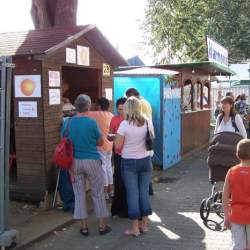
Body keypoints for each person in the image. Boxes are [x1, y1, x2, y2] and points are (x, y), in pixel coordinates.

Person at [65, 94, 111, 236]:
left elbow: (65, 140)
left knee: (79, 194)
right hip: (91, 160)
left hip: (74, 162)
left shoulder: (68, 122)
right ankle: (102, 226)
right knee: (97, 193)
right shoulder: (91, 123)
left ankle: (83, 227)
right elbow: (100, 142)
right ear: (89, 106)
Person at [115, 97, 154, 236]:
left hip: (129, 162)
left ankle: (135, 228)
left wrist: (117, 139)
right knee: (144, 193)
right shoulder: (147, 122)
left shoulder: (124, 125)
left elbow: (118, 146)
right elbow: (151, 139)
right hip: (145, 160)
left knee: (132, 194)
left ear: (128, 109)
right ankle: (145, 225)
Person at [125, 88, 154, 195]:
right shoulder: (146, 102)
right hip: (148, 136)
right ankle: (148, 188)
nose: (127, 100)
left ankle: (146, 189)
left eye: (128, 97)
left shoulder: (138, 104)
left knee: (143, 167)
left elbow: (137, 121)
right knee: (147, 164)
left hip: (140, 138)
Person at [222, 139, 250, 250]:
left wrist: (226, 215)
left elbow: (224, 196)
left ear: (237, 155)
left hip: (236, 215)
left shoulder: (232, 171)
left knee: (238, 245)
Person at [88, 98, 114, 200]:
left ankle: (105, 192)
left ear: (99, 106)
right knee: (108, 167)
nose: (94, 107)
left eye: (96, 105)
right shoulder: (111, 115)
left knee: (103, 168)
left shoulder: (96, 114)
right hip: (109, 145)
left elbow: (82, 112)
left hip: (101, 146)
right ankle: (111, 190)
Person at [109, 97, 128, 218]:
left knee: (126, 182)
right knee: (118, 180)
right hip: (117, 152)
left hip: (128, 154)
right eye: (119, 109)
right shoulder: (114, 119)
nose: (120, 111)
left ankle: (125, 209)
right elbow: (110, 133)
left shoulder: (130, 121)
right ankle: (116, 209)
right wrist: (111, 137)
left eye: (123, 109)